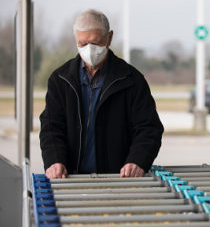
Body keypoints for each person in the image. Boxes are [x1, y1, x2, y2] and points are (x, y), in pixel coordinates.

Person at [40, 9, 164, 179]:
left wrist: (137, 161)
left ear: (109, 37)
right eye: (82, 44)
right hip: (70, 180)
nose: (89, 50)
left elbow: (149, 128)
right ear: (76, 39)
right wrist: (54, 160)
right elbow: (51, 127)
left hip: (118, 181)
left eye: (96, 43)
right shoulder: (60, 79)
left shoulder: (132, 80)